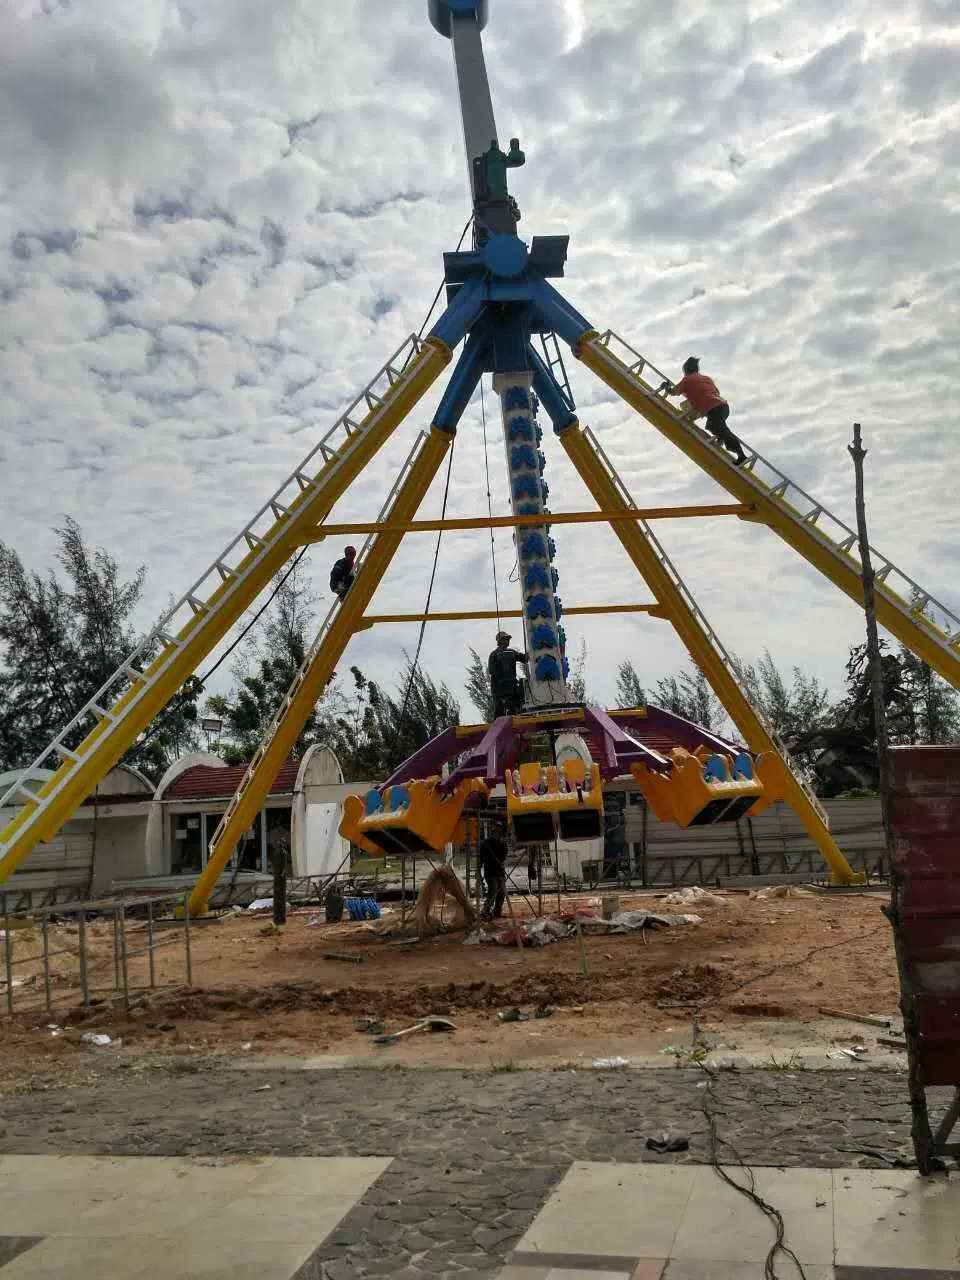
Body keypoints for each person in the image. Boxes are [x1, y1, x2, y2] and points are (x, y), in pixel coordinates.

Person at [659, 357, 747, 465]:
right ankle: (722, 438)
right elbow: (715, 392)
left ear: (686, 370)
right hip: (723, 406)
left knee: (716, 427)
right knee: (716, 427)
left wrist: (665, 386)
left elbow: (673, 392)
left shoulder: (687, 379)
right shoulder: (706, 378)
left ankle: (741, 455)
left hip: (714, 409)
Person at [487, 631, 529, 718]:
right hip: (500, 688)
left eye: (508, 639)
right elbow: (492, 671)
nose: (508, 640)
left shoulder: (511, 652)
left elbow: (524, 658)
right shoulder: (495, 654)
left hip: (510, 687)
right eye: (505, 639)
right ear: (500, 641)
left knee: (512, 710)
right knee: (500, 711)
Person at [477, 826, 508, 921]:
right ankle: (486, 911)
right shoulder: (486, 844)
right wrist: (478, 872)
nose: (498, 833)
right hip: (490, 871)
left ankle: (497, 912)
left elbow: (504, 856)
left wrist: (500, 862)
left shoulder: (502, 843)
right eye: (497, 830)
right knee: (493, 890)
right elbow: (480, 858)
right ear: (494, 831)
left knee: (502, 892)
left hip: (499, 871)